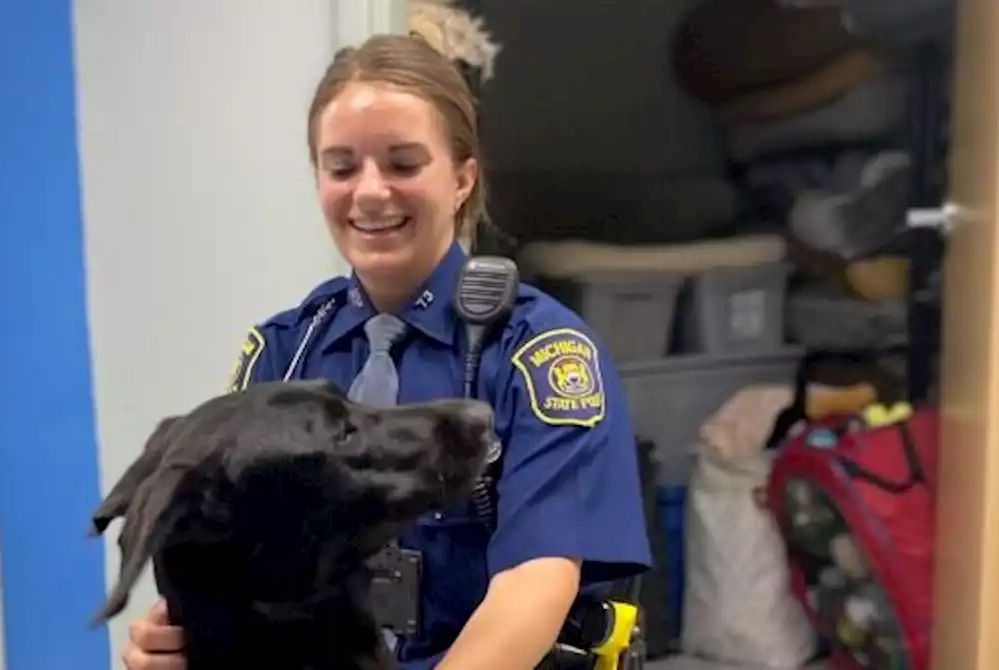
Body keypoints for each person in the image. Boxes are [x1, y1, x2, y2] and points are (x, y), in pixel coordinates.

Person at [119, 33, 651, 670]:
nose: (370, 192)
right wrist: (177, 640)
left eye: (403, 164)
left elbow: (533, 585)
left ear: (461, 177)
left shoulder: (535, 354)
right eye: (341, 167)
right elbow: (236, 565)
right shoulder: (284, 355)